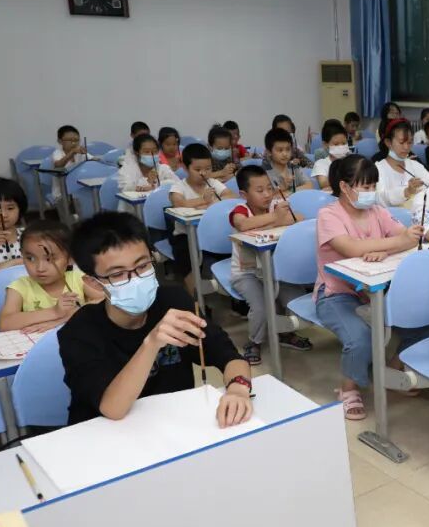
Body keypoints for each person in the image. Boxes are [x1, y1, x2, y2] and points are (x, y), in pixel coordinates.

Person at [59, 212, 252, 427]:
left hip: (172, 426)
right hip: (105, 435)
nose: (135, 279)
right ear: (94, 283)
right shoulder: (78, 332)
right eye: (118, 274)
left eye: (142, 266)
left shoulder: (174, 301)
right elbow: (112, 408)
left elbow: (229, 356)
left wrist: (238, 389)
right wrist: (151, 344)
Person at [313, 154, 429, 420]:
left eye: (373, 186)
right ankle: (348, 388)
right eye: (365, 187)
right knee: (360, 339)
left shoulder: (377, 211)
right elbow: (351, 248)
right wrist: (391, 245)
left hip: (376, 292)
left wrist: (384, 249)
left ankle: (393, 368)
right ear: (344, 187)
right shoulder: (328, 215)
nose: (371, 192)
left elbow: (407, 237)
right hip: (337, 294)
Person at [230, 165, 310, 365]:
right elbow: (243, 224)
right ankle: (254, 341)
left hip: (274, 270)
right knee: (262, 306)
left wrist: (279, 218)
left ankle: (284, 333)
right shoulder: (240, 210)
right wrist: (276, 220)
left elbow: (299, 218)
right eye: (259, 190)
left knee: (294, 298)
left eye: (269, 188)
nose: (267, 194)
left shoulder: (275, 205)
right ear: (244, 194)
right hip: (246, 273)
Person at [0, 219, 104, 332]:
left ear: (70, 259)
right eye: (31, 258)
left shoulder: (77, 278)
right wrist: (54, 312)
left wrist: (69, 315)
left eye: (50, 259)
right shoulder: (19, 287)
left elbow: (108, 300)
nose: (40, 268)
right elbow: (4, 324)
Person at [168, 144, 234, 292]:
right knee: (186, 256)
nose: (203, 173)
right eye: (197, 170)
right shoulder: (179, 186)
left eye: (208, 169)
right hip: (185, 235)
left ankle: (227, 286)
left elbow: (230, 195)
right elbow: (179, 203)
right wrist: (203, 200)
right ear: (185, 168)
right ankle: (195, 296)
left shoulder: (213, 183)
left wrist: (213, 204)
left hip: (211, 233)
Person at [375, 118, 429, 207]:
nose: (406, 147)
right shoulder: (378, 169)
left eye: (409, 142)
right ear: (388, 142)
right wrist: (407, 191)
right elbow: (380, 198)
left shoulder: (415, 165)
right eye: (401, 142)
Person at [261, 128, 310, 193]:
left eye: (288, 149)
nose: (285, 154)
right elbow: (266, 195)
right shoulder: (264, 172)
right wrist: (284, 187)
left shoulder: (293, 166)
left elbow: (309, 185)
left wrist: (290, 192)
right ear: (269, 152)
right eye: (280, 150)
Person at [312, 125, 351, 191]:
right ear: (325, 144)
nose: (341, 147)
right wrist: (348, 179)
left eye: (344, 143)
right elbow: (323, 183)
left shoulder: (351, 162)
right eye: (336, 144)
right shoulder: (321, 163)